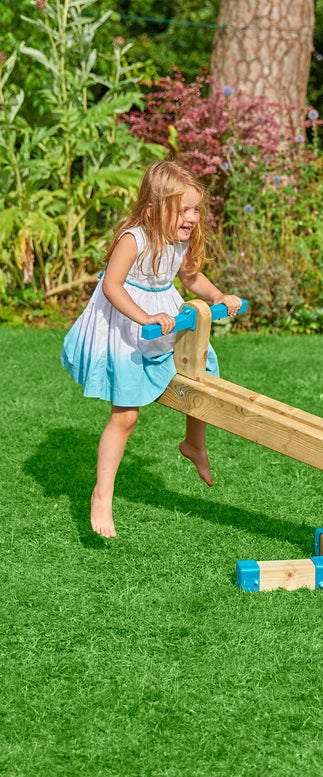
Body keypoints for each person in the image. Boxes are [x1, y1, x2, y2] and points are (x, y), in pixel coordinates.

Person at [61, 161, 242, 539]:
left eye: (195, 209)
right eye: (184, 209)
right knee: (126, 416)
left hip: (164, 316)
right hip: (126, 323)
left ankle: (194, 444)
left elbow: (190, 276)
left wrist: (218, 296)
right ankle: (102, 495)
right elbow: (112, 285)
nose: (192, 217)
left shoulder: (180, 240)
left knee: (201, 374)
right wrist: (144, 316)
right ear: (152, 209)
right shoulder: (135, 238)